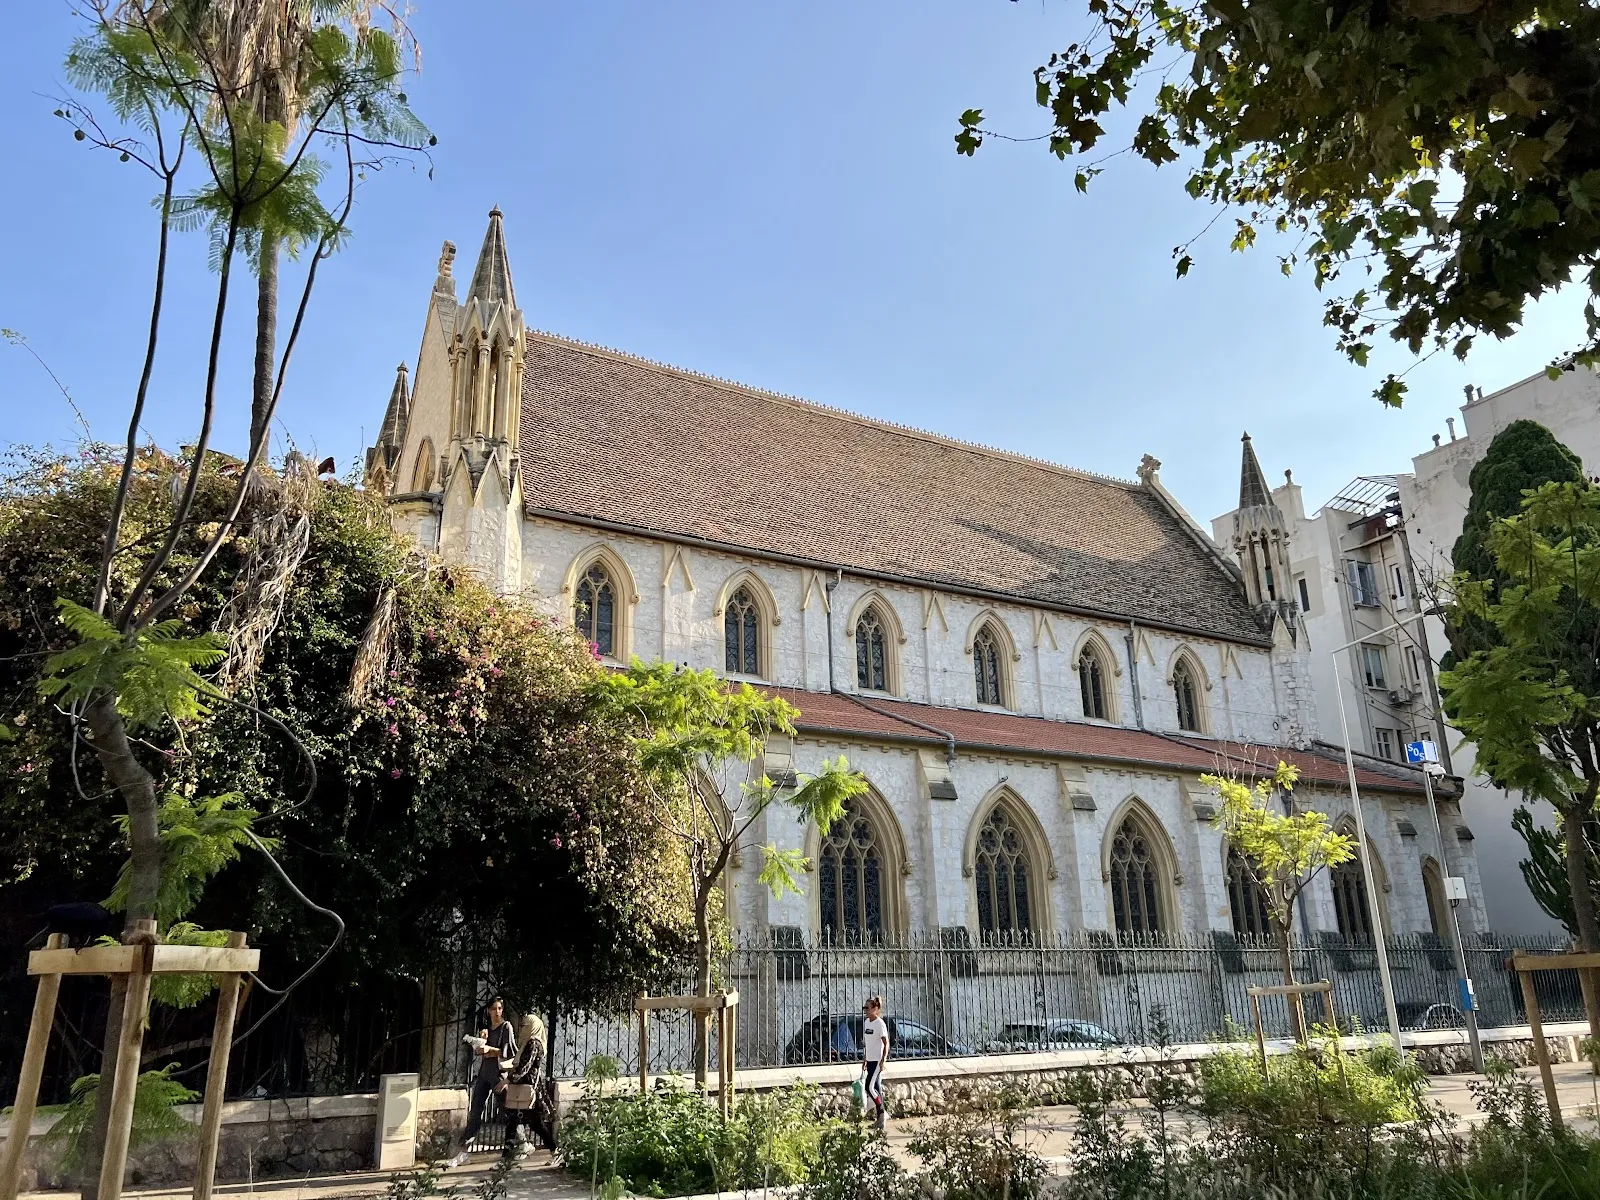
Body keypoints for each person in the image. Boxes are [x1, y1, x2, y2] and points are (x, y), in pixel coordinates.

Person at [460, 996, 516, 1157]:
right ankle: (465, 1149)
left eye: (499, 1008)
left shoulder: (506, 1027)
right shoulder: (486, 1029)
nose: (496, 1012)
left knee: (506, 1110)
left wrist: (490, 1050)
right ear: (488, 1011)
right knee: (476, 1109)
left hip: (498, 1074)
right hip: (485, 1072)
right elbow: (479, 1051)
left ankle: (521, 1141)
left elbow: (509, 1051)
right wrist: (480, 1045)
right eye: (493, 1009)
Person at [506, 1013, 558, 1155]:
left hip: (528, 1088)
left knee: (535, 1124)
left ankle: (555, 1150)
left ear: (533, 1027)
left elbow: (525, 1066)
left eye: (525, 1026)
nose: (522, 1029)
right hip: (523, 1087)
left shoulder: (533, 1043)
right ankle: (508, 1156)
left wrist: (509, 1079)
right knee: (516, 1122)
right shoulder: (527, 1043)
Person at [861, 995, 890, 1131]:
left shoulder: (880, 1024)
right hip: (870, 1059)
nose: (865, 1010)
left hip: (878, 1060)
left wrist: (883, 1060)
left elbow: (886, 1043)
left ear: (875, 1009)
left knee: (869, 1087)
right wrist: (865, 1058)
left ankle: (882, 1113)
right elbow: (868, 1043)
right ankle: (880, 1118)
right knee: (876, 1088)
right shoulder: (867, 1022)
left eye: (868, 1008)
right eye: (864, 1008)